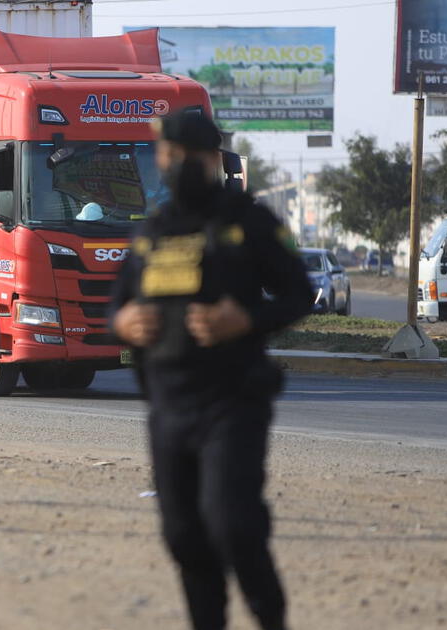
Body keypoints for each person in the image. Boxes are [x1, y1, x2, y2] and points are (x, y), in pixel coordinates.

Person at [110, 111, 313, 630]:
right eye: (169, 156)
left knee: (233, 526)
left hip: (232, 402)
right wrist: (127, 321)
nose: (177, 166)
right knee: (184, 536)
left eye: (189, 158)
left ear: (213, 160)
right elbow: (118, 309)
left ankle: (270, 619)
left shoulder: (249, 221)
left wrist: (245, 318)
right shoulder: (150, 233)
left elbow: (297, 294)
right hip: (169, 409)